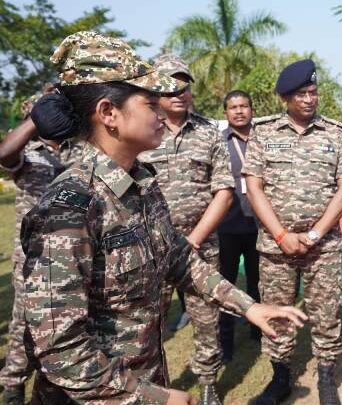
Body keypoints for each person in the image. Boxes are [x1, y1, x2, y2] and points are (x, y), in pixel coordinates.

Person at [20, 31, 306, 405]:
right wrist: (152, 397)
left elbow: (178, 258)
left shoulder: (140, 184)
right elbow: (60, 349)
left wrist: (248, 305)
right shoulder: (70, 208)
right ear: (109, 113)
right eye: (151, 104)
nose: (163, 113)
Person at [242, 59, 342, 405]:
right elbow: (254, 186)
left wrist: (315, 234)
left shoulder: (335, 133)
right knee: (277, 312)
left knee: (326, 312)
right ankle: (280, 378)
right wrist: (280, 235)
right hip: (276, 246)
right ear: (286, 99)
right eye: (302, 94)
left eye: (313, 92)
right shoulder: (263, 133)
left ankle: (326, 376)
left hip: (321, 246)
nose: (310, 99)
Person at [138, 53, 234, 404]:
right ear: (155, 92)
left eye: (184, 85)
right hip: (150, 248)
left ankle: (208, 384)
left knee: (206, 318)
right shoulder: (144, 130)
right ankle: (153, 384)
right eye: (170, 86)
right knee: (149, 322)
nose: (179, 92)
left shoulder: (209, 133)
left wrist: (192, 240)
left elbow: (223, 193)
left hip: (200, 247)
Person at [0, 89, 85, 405]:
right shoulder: (28, 151)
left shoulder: (77, 147)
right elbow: (4, 154)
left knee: (71, 323)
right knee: (25, 324)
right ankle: (13, 384)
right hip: (32, 258)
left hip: (76, 253)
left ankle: (63, 384)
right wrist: (38, 117)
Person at [218, 90, 261, 363]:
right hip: (228, 227)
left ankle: (259, 331)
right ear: (226, 113)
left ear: (251, 109)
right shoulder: (218, 143)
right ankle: (226, 340)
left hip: (261, 226)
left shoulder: (265, 140)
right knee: (226, 285)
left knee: (259, 283)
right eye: (233, 107)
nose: (239, 111)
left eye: (244, 105)